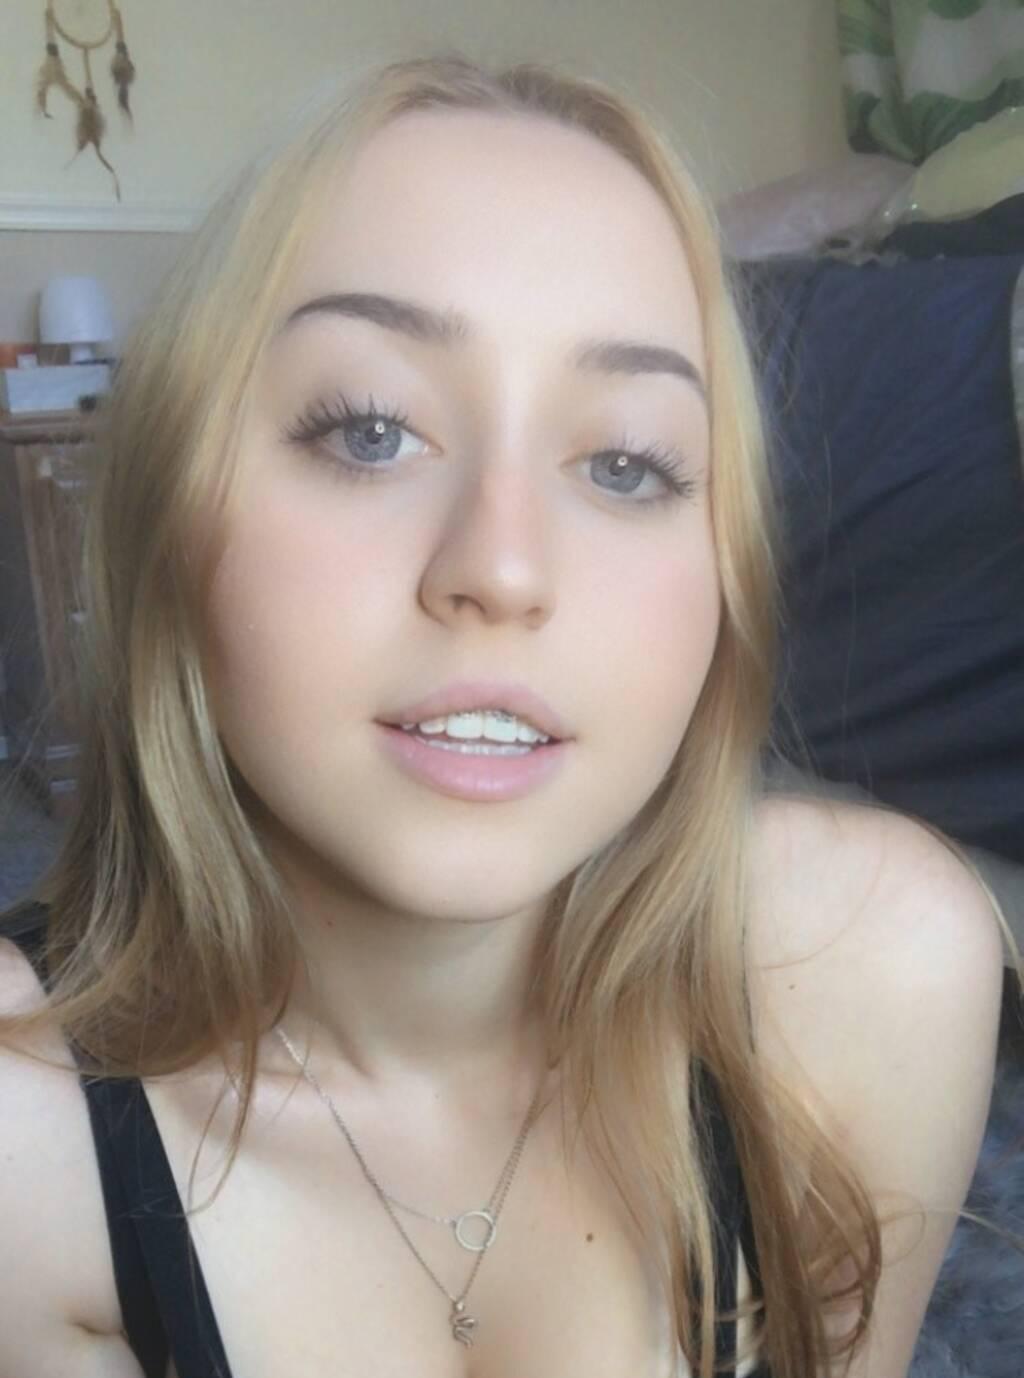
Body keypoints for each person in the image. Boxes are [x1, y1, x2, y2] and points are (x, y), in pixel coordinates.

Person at [0, 51, 1018, 1378]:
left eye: (626, 462)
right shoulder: (26, 1149)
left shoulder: (871, 973)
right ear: (171, 518)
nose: (503, 566)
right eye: (370, 430)